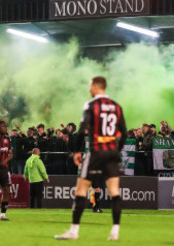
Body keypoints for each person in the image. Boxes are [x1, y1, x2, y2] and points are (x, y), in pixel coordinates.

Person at [55, 76, 127, 241]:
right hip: (112, 152)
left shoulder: (91, 105)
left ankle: (74, 231)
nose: (89, 89)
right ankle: (115, 232)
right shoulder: (117, 106)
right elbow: (123, 132)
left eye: (90, 85)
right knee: (115, 192)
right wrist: (117, 149)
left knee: (81, 191)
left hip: (96, 152)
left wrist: (77, 151)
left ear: (96, 86)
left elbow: (81, 131)